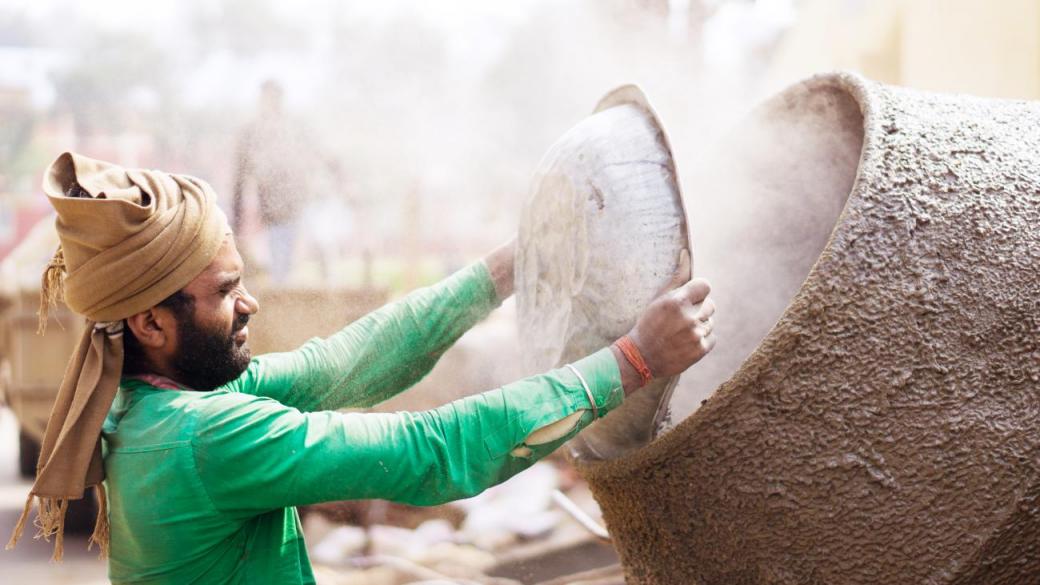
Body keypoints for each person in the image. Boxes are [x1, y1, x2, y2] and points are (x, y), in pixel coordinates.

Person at [7, 152, 716, 584]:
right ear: (151, 322)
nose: (249, 302)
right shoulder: (204, 436)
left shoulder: (152, 396)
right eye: (225, 293)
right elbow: (428, 452)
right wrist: (632, 360)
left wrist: (509, 266)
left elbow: (351, 361)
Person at [231, 80, 313, 285]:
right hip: (270, 207)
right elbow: (241, 174)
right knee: (277, 257)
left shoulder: (293, 129)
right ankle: (280, 289)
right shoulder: (252, 132)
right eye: (266, 98)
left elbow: (308, 161)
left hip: (293, 203)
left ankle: (284, 288)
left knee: (288, 255)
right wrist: (237, 213)